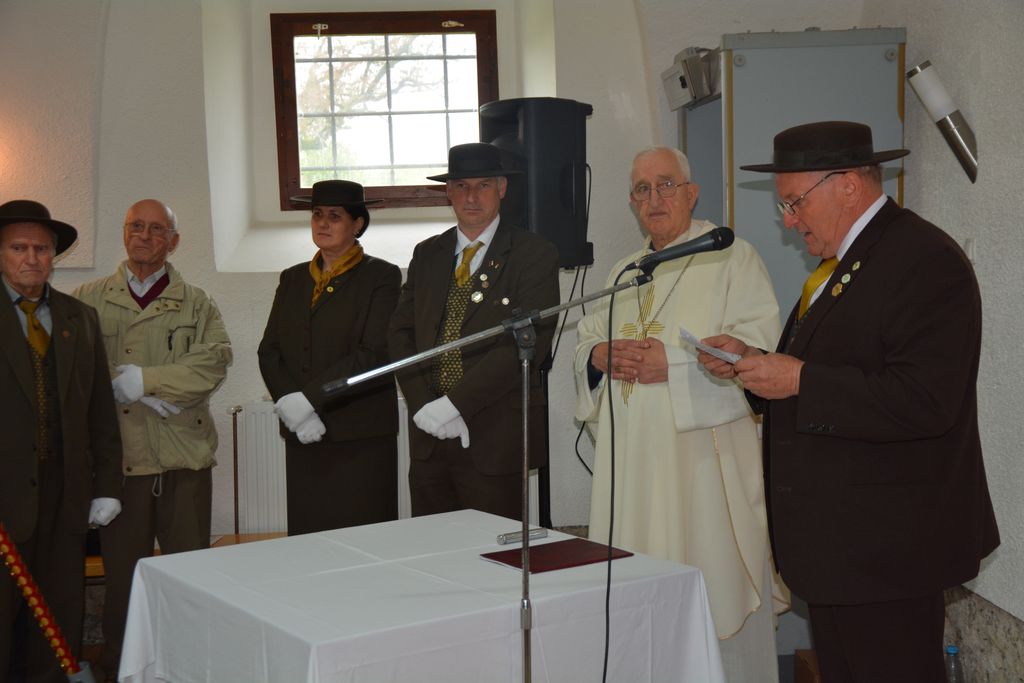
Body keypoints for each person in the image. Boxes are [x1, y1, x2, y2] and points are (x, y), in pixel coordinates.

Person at [700, 121, 1000, 682]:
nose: (789, 220)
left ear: (848, 185)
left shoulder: (923, 258)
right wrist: (754, 364)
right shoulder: (841, 265)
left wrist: (799, 380)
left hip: (890, 554)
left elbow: (926, 400)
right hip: (839, 551)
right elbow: (829, 371)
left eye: (795, 202)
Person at [574, 147, 787, 682]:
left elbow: (759, 355)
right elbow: (588, 340)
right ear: (632, 203)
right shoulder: (625, 272)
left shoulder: (731, 257)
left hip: (702, 473)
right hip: (631, 475)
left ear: (692, 193)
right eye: (642, 189)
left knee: (706, 594)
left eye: (666, 184)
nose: (654, 198)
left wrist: (673, 366)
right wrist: (597, 357)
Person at [73, 199, 232, 679]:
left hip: (183, 459)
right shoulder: (87, 299)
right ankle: (120, 667)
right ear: (125, 233)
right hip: (119, 465)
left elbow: (213, 362)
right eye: (136, 226)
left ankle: (191, 665)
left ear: (173, 241)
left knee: (190, 575)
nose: (144, 236)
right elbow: (74, 370)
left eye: (157, 229)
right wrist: (119, 384)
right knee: (124, 579)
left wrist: (148, 380)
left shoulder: (197, 302)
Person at [387, 142, 560, 520]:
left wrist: (454, 405)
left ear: (502, 188)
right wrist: (424, 406)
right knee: (433, 547)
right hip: (429, 435)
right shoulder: (427, 253)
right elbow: (400, 333)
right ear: (448, 192)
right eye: (462, 186)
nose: (471, 197)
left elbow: (528, 343)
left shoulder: (533, 253)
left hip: (494, 436)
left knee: (493, 548)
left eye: (483, 185)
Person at [0, 200, 123, 682]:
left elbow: (101, 411)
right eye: (19, 248)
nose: (32, 258)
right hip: (5, 499)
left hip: (66, 497)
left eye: (42, 249)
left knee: (56, 617)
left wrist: (107, 485)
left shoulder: (80, 318)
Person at [259, 180, 401, 534]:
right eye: (317, 214)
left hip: (360, 433)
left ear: (358, 224)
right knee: (310, 538)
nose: (322, 223)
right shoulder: (292, 279)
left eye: (334, 216)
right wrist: (293, 406)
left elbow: (374, 353)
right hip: (302, 431)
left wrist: (309, 400)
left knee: (365, 537)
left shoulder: (381, 276)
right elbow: (269, 350)